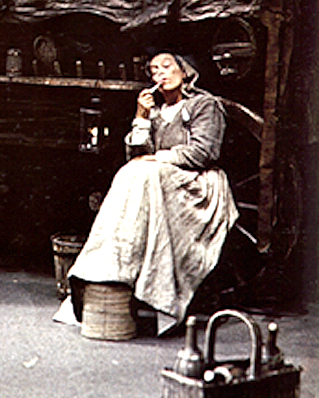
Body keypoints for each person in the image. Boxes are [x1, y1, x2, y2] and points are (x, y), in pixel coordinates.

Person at [53, 52, 239, 335]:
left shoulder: (204, 105)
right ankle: (107, 267)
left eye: (167, 66)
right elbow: (137, 155)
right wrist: (141, 117)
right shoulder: (156, 112)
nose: (160, 74)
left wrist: (159, 157)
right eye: (154, 70)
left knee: (141, 172)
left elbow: (204, 152)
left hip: (197, 183)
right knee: (132, 171)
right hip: (156, 181)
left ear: (185, 72)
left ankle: (161, 293)